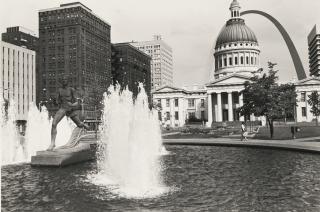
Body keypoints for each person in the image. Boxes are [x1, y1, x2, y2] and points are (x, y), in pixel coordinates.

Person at [47, 75, 90, 151]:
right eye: (62, 79)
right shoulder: (59, 90)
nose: (64, 81)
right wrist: (54, 101)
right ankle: (52, 143)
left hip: (70, 109)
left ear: (68, 81)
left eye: (65, 79)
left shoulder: (71, 90)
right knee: (54, 124)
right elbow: (56, 102)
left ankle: (85, 125)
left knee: (79, 124)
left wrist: (72, 105)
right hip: (63, 109)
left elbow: (77, 102)